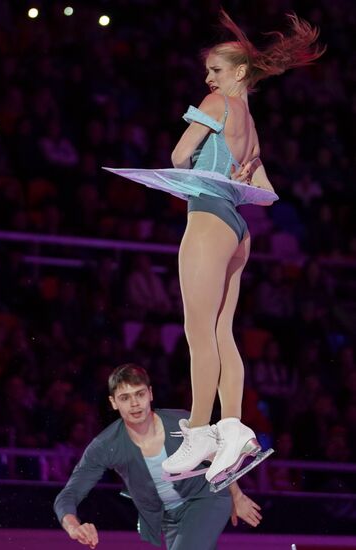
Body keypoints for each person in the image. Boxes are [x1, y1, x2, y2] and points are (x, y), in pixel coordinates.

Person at [160, 10, 325, 484]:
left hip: (209, 220)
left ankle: (198, 432)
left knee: (198, 332)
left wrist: (198, 159)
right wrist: (236, 174)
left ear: (236, 73)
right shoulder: (250, 124)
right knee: (222, 331)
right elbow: (267, 193)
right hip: (238, 230)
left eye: (214, 70)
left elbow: (176, 156)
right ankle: (232, 428)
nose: (207, 78)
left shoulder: (217, 104)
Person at [54, 364, 262, 549]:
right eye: (125, 398)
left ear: (150, 394)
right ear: (113, 402)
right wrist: (73, 527)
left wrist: (236, 495)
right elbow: (69, 494)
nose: (135, 403)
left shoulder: (181, 422)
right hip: (168, 519)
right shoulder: (106, 445)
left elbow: (216, 455)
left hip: (206, 500)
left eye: (140, 394)